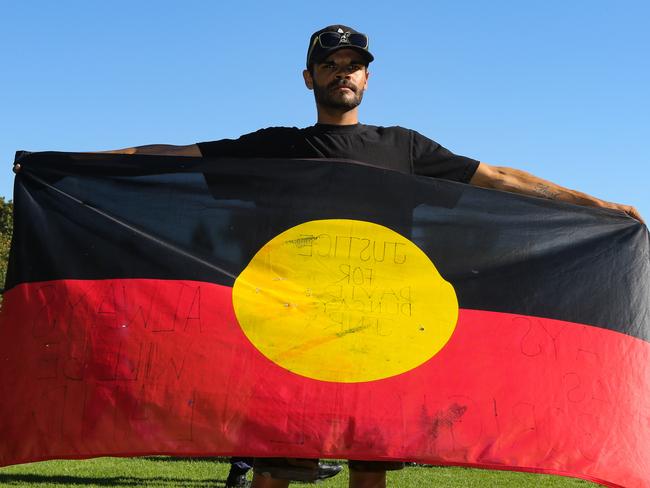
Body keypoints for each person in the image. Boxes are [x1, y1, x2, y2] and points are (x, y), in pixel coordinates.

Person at [106, 24, 644, 488]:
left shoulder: (403, 149)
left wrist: (595, 204)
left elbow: (499, 179)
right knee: (275, 467)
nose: (343, 72)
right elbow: (176, 156)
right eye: (330, 64)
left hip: (378, 337)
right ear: (308, 77)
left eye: (354, 65)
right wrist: (64, 163)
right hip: (287, 332)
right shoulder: (275, 147)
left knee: (370, 471)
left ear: (366, 78)